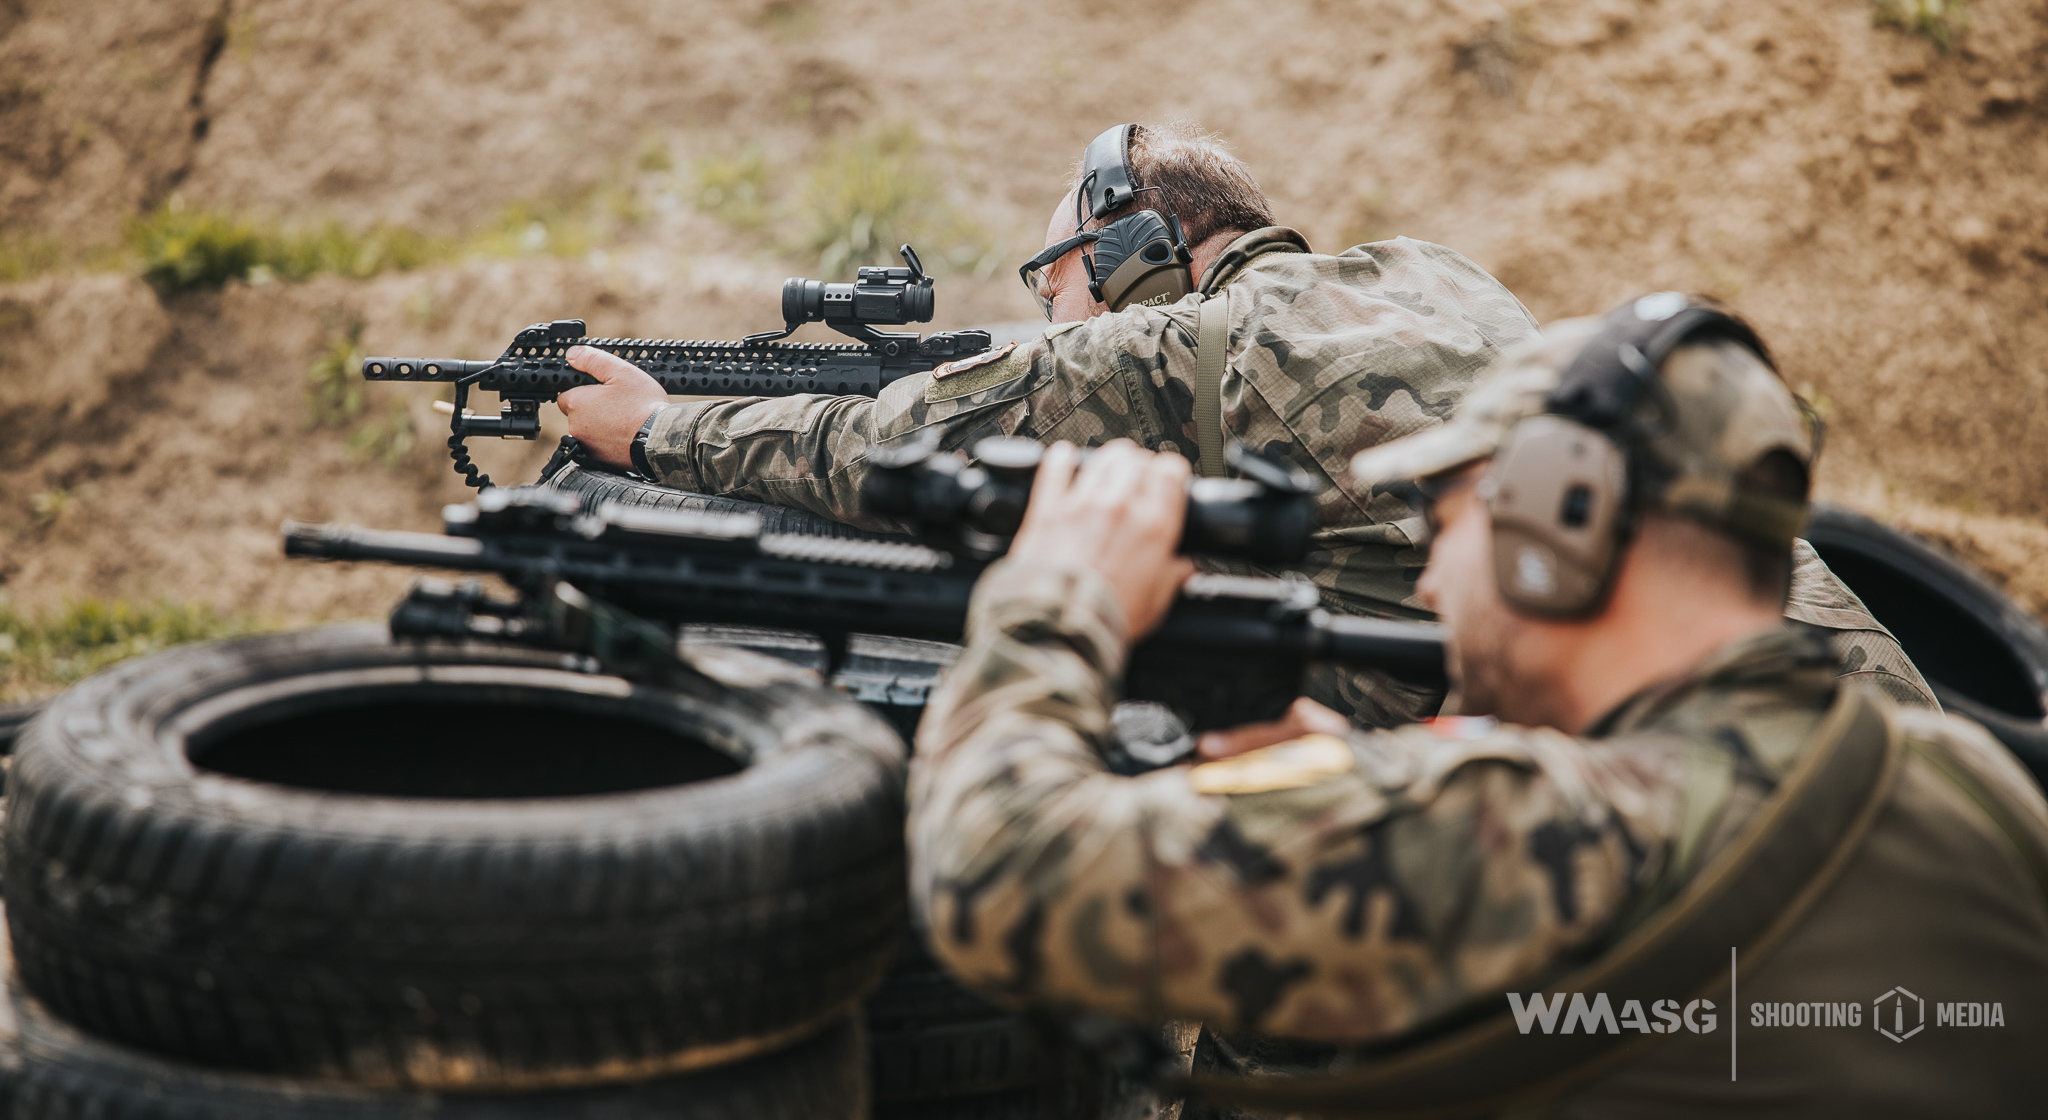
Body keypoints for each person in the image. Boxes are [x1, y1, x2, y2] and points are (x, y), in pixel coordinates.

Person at [905, 296, 2048, 1116]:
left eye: (1443, 528)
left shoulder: (1544, 831)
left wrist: (1060, 593)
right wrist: (1357, 779)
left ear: (1565, 525)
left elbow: (993, 865)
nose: (1434, 579)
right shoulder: (1973, 787)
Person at [556, 122, 1933, 717]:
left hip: (1673, 791)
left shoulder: (1191, 342)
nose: (1051, 314)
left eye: (1057, 280)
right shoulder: (1436, 269)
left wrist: (660, 431)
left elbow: (895, 448)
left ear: (1142, 248)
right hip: (1858, 704)